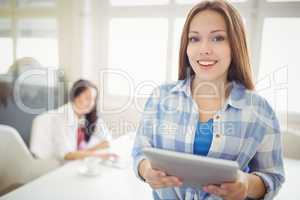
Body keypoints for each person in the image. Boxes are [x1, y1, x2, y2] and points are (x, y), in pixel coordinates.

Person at [132, 0, 285, 199]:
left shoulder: (259, 110)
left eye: (218, 38)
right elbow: (139, 152)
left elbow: (273, 177)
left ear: (235, 45)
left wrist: (246, 183)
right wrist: (146, 171)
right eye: (194, 39)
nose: (204, 49)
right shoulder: (161, 97)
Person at [30, 79, 116, 162]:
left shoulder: (90, 116)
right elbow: (67, 155)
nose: (91, 103)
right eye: (87, 98)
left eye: (93, 99)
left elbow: (107, 141)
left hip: (78, 161)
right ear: (75, 97)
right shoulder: (61, 117)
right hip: (56, 166)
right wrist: (96, 155)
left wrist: (86, 152)